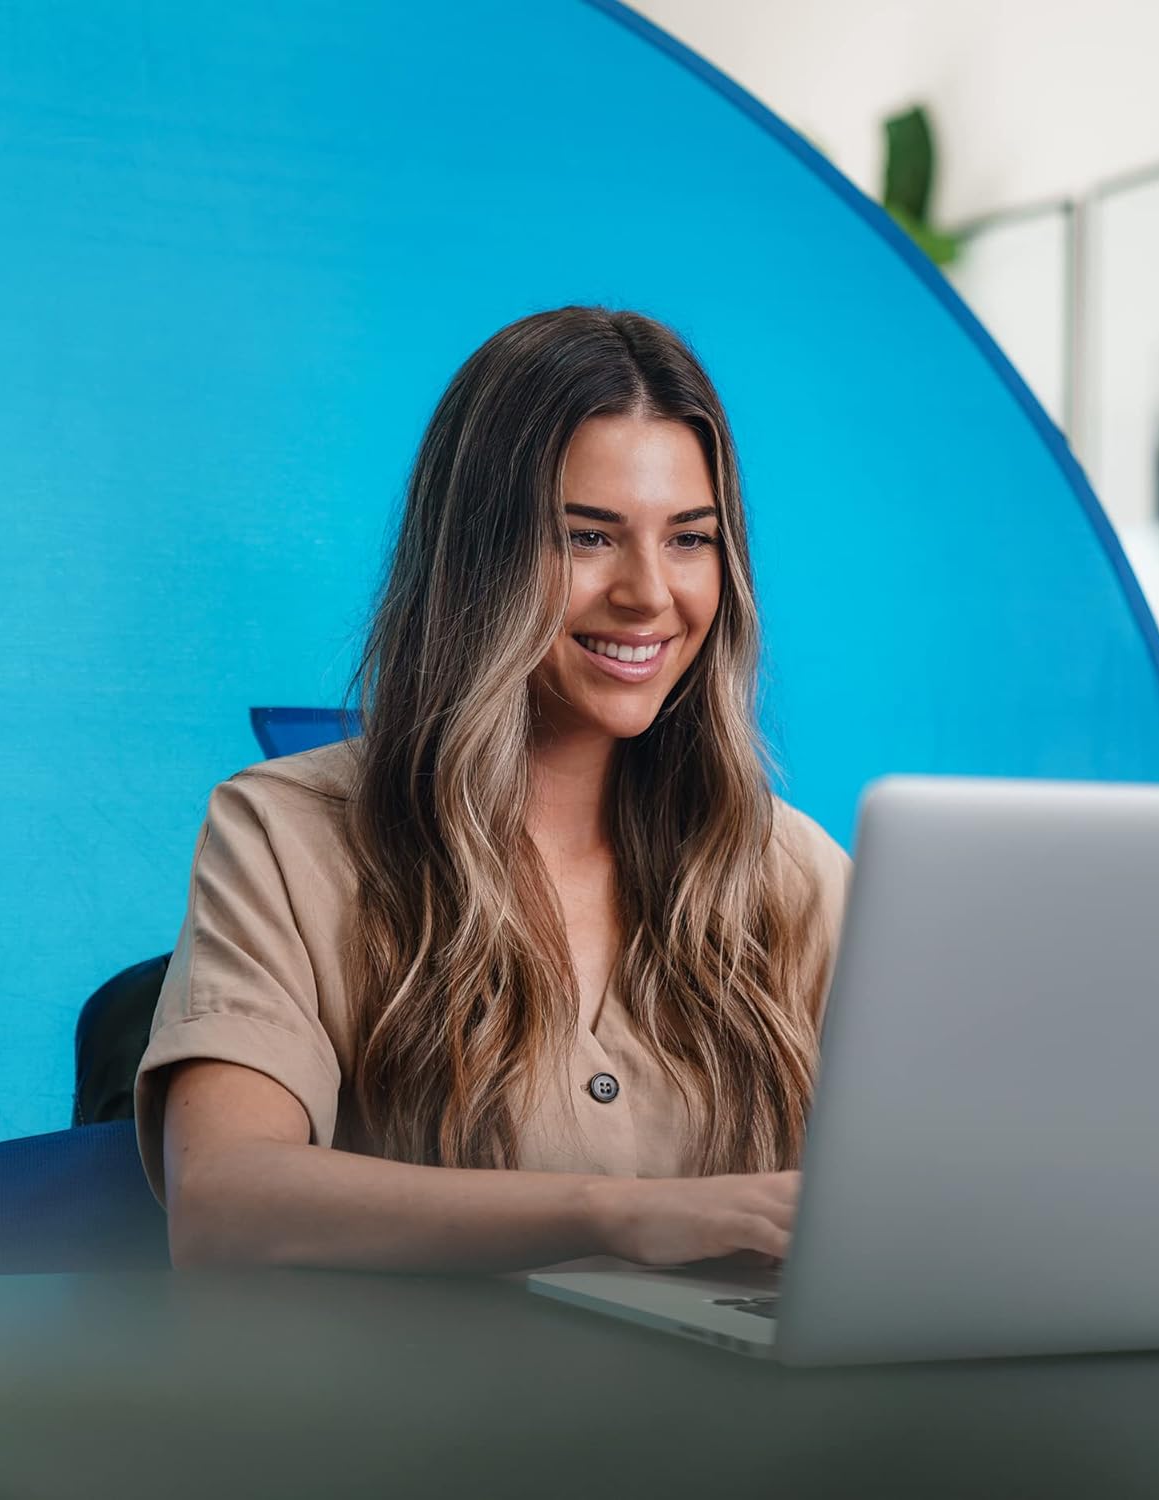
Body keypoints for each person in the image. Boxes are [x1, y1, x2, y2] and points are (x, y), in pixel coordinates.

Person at [133, 305, 852, 1277]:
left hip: (749, 1426)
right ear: (476, 561)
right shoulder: (284, 834)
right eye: (588, 537)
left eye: (689, 539)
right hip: (429, 1421)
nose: (649, 593)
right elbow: (223, 1202)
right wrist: (616, 1215)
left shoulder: (791, 867)